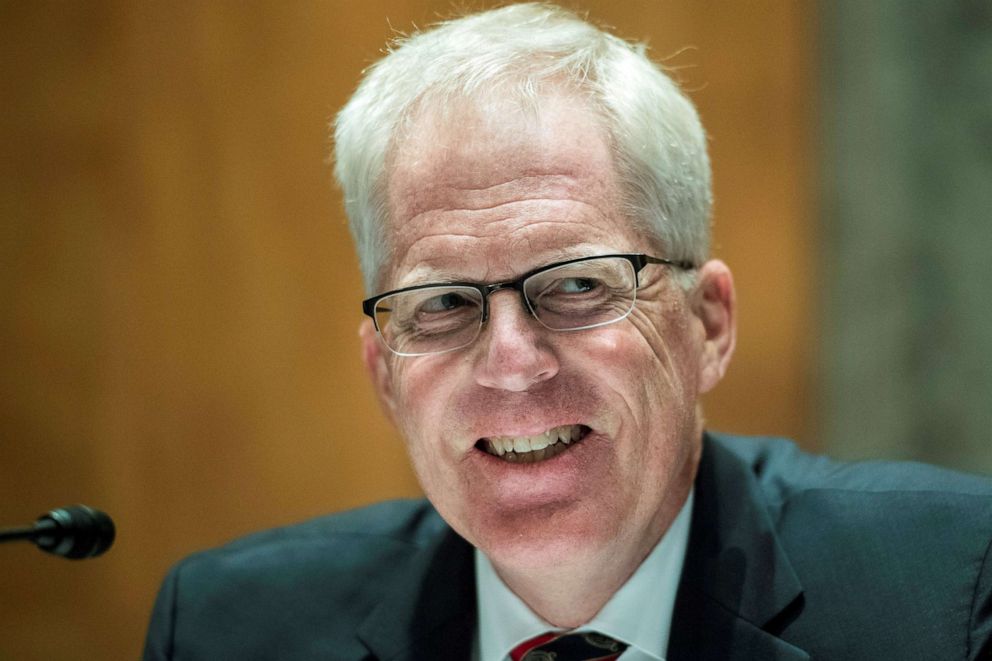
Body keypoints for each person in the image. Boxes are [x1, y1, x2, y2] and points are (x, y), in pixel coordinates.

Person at [142, 4, 992, 659]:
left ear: (708, 324)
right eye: (442, 304)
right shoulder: (227, 628)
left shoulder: (948, 594)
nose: (511, 363)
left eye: (578, 285)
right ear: (384, 373)